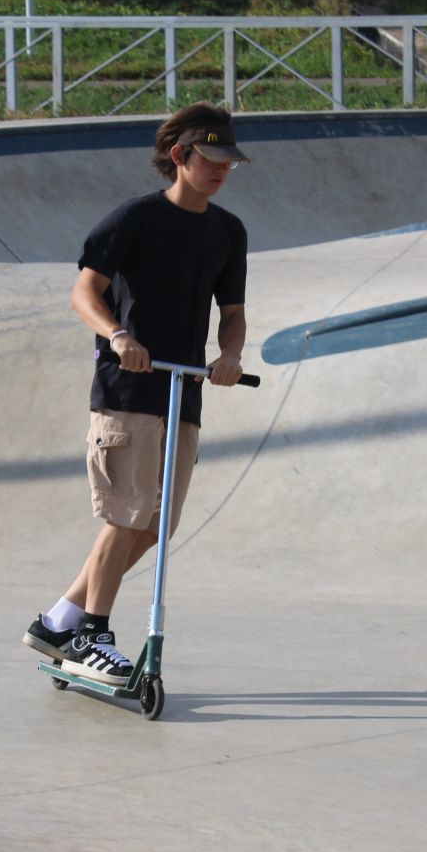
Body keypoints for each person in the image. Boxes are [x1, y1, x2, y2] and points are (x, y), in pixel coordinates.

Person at [23, 103, 253, 685]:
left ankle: (61, 621)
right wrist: (119, 334)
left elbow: (233, 315)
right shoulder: (133, 220)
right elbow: (84, 294)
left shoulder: (228, 231)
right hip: (128, 389)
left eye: (229, 161)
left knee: (155, 525)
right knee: (125, 516)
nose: (222, 170)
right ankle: (92, 636)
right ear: (180, 157)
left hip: (182, 392)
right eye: (211, 159)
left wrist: (229, 356)